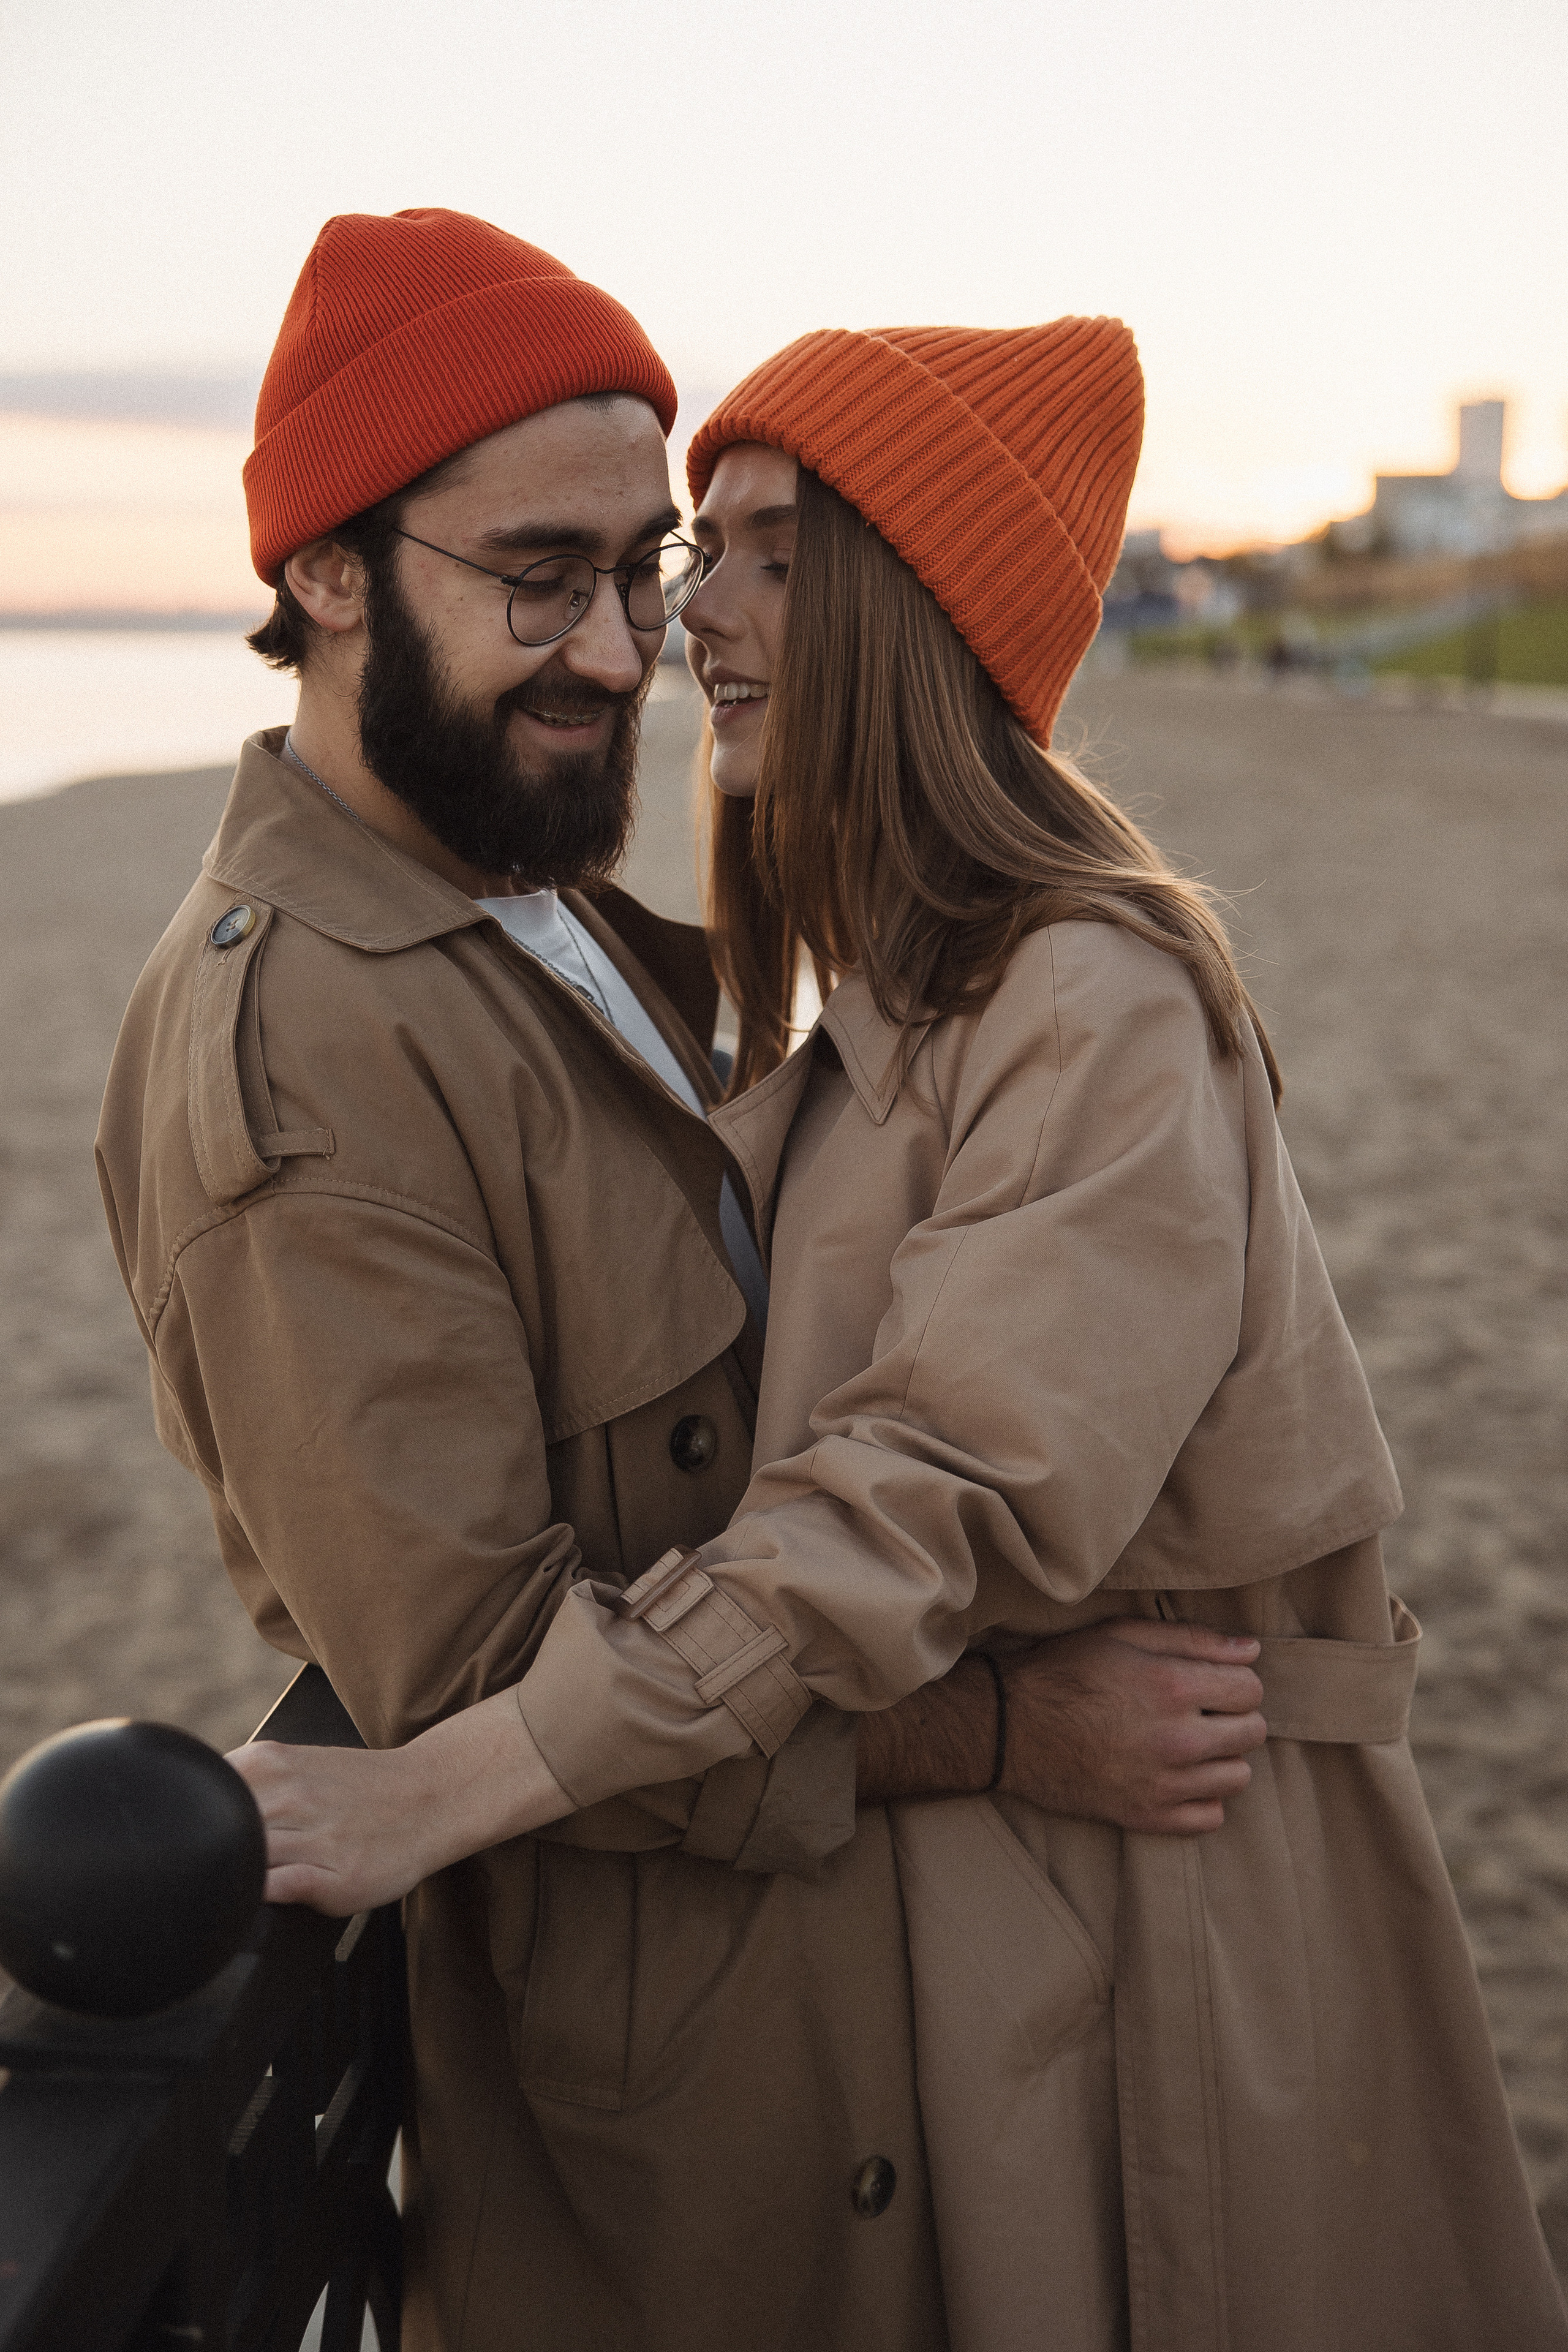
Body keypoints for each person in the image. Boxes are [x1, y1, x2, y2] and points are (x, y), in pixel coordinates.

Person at [242, 316, 1568, 2351]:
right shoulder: (883, 993)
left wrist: (460, 1782)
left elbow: (923, 1494)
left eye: (775, 554)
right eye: (710, 554)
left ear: (913, 610)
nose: (700, 622)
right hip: (1010, 1905)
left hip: (1175, 1921)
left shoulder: (1097, 1000)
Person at [97, 209, 1270, 2352]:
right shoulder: (301, 1048)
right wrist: (1001, 1730)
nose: (626, 652)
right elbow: (473, 1678)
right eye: (539, 579)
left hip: (856, 2006)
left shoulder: (546, 919)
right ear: (327, 573)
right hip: (679, 2100)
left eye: (641, 571)